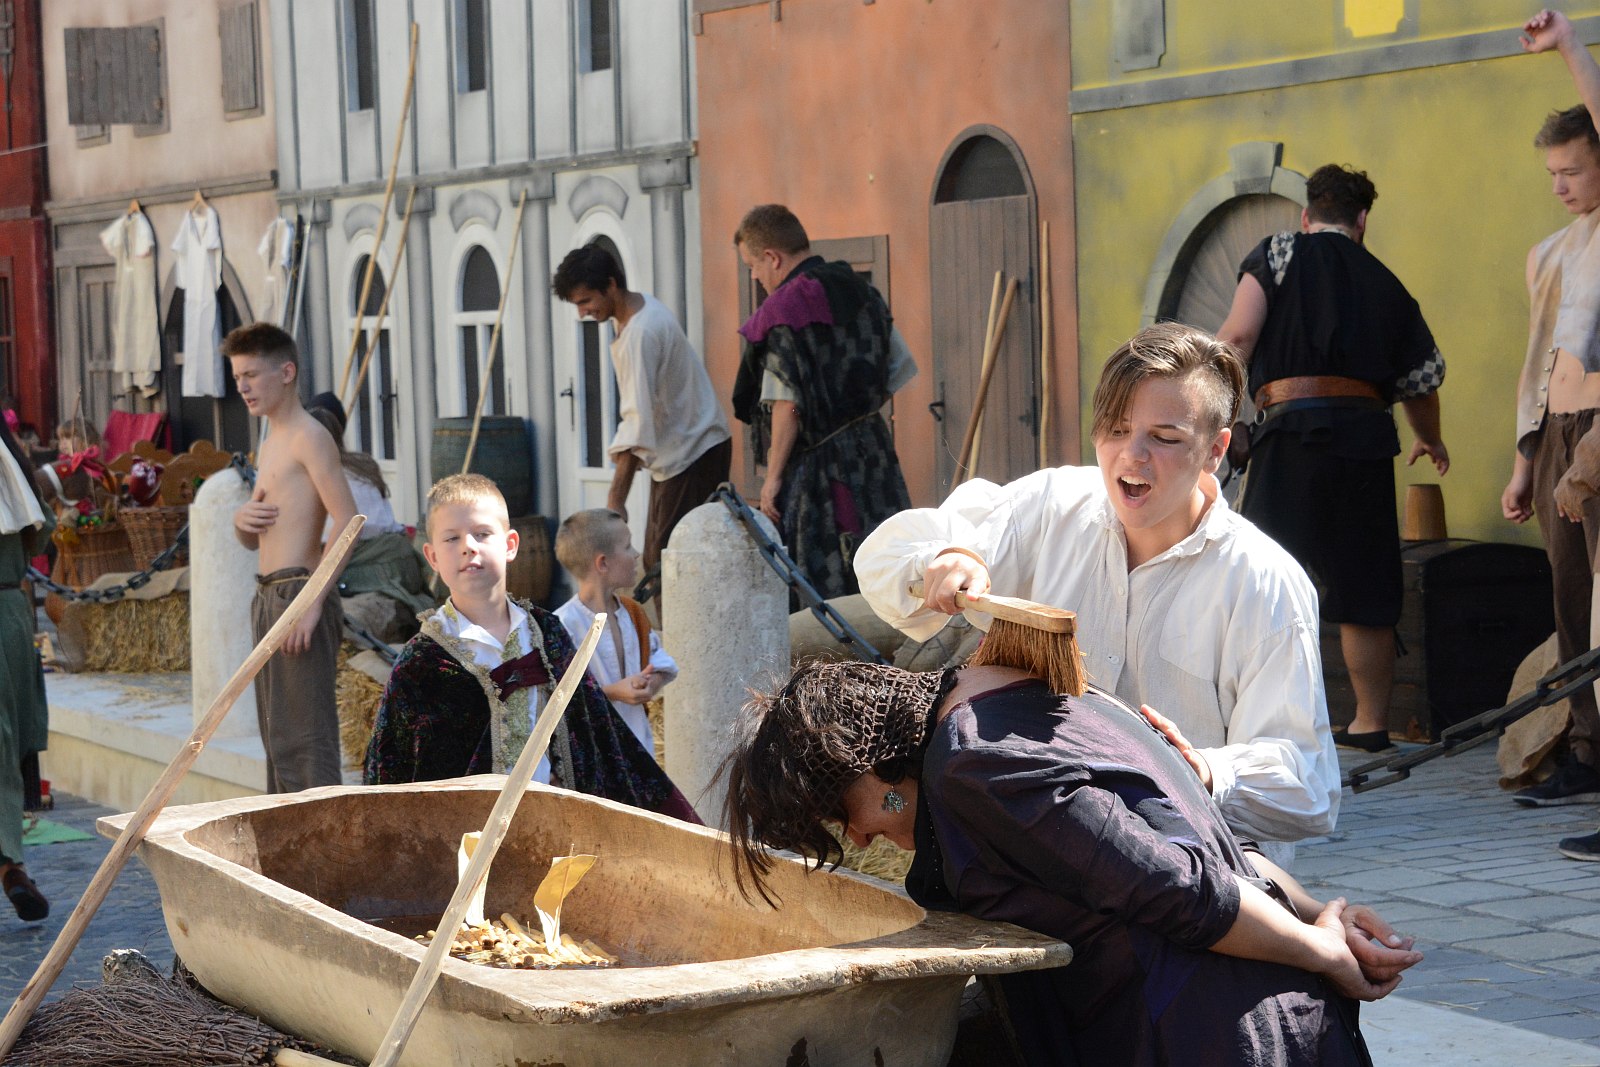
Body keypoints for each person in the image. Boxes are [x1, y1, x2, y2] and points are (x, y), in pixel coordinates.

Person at [722, 660, 1421, 1066]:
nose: (860, 831)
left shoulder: (974, 765)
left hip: (1207, 1037)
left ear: (868, 767)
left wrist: (1324, 951)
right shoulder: (1024, 687)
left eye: (842, 813)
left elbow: (1180, 887)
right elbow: (1217, 848)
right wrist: (1316, 916)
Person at [857, 322, 1337, 868]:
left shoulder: (1262, 581)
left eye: (1165, 437)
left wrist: (1203, 770)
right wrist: (946, 559)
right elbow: (883, 567)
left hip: (1196, 868)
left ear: (1215, 450)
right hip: (1050, 843)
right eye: (1115, 428)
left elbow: (1309, 785)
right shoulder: (1052, 506)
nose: (1132, 456)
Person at [1215, 164, 1449, 754]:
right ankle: (1370, 723)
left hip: (1287, 440)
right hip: (1365, 444)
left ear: (1306, 213)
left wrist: (1214, 420)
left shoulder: (1278, 253)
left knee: (1261, 579)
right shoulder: (1388, 281)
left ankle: (1258, 723)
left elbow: (1237, 338)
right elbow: (1422, 381)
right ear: (1362, 220)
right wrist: (1431, 438)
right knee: (1365, 583)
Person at [363, 475, 697, 821]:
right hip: (465, 840)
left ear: (510, 545)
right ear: (432, 556)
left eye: (482, 534)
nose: (468, 546)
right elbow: (391, 772)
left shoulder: (546, 633)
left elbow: (595, 734)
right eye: (452, 538)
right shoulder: (423, 662)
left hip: (549, 825)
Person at [1508, 10, 1600, 853]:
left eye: (1575, 168)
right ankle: (1586, 746)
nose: (1564, 183)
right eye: (1553, 172)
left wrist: (1571, 47)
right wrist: (1525, 456)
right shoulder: (1556, 250)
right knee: (1573, 602)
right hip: (1562, 431)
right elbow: (1539, 360)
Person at [730, 204, 915, 601]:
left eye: (752, 265)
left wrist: (773, 478)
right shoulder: (864, 291)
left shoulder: (784, 311)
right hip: (875, 455)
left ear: (772, 258)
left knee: (827, 586)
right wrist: (856, 415)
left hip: (819, 475)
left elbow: (787, 405)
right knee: (884, 566)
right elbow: (898, 368)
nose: (755, 276)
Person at [227, 323, 359, 794]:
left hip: (298, 593)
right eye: (237, 376)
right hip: (269, 594)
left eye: (252, 375)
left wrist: (312, 601)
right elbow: (259, 539)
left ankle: (325, 857)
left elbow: (348, 520)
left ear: (286, 372)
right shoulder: (270, 440)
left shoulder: (310, 436)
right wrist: (243, 523)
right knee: (278, 739)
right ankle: (289, 853)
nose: (242, 386)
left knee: (308, 739)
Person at [551, 244, 731, 584]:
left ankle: (678, 639)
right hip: (685, 454)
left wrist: (616, 500)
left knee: (670, 567)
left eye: (586, 301)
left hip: (692, 454)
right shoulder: (640, 310)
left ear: (611, 284)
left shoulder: (640, 333)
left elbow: (636, 423)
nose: (582, 313)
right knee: (661, 562)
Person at [303, 393, 435, 629]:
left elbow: (329, 538)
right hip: (402, 558)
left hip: (375, 567)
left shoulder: (323, 477)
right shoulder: (363, 463)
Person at [553, 508, 677, 756]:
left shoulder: (632, 613)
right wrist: (612, 692)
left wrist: (651, 684)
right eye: (628, 546)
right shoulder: (562, 626)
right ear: (603, 563)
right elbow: (558, 700)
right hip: (594, 758)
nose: (636, 554)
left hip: (641, 751)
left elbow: (664, 665)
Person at [0, 413, 50, 921]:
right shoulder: (10, 458)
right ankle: (11, 864)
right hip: (9, 615)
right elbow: (40, 533)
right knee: (6, 745)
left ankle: (10, 863)